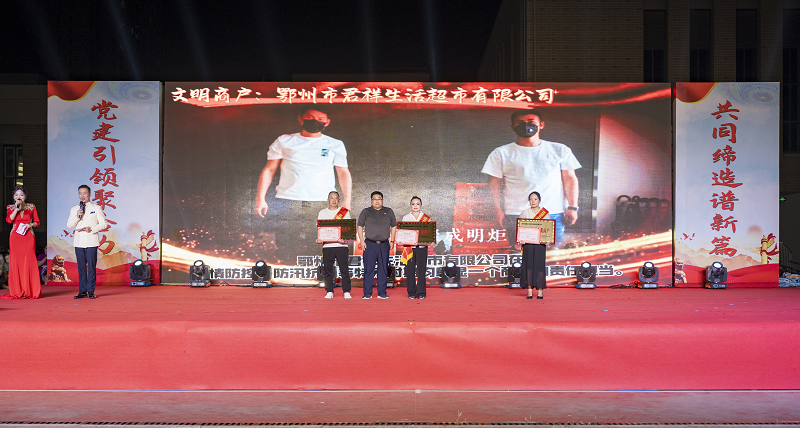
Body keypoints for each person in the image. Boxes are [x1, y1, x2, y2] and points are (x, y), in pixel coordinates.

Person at [254, 106, 353, 264]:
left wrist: (347, 201)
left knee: (320, 242)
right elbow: (269, 169)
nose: (315, 121)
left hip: (322, 200)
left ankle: (318, 272)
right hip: (287, 198)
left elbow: (343, 173)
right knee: (286, 242)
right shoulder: (284, 140)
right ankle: (287, 268)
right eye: (310, 117)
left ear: (327, 122)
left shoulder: (335, 144)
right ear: (301, 119)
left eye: (320, 119)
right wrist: (260, 198)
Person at [481, 109, 581, 248]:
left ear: (541, 125)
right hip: (518, 213)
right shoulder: (501, 153)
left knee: (550, 256)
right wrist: (497, 210)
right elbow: (494, 184)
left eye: (531, 122)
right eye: (520, 123)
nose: (526, 126)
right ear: (512, 127)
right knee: (525, 256)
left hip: (552, 213)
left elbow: (570, 179)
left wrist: (572, 207)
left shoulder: (559, 150)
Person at [67, 184, 107, 299]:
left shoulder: (96, 208)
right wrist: (77, 216)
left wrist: (92, 228)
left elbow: (104, 224)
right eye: (80, 193)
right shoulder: (74, 209)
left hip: (91, 241)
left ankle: (91, 291)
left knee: (92, 268)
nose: (82, 195)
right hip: (79, 242)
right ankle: (82, 291)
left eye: (84, 193)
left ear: (89, 194)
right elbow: (69, 225)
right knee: (81, 268)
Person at [1, 186, 41, 299]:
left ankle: (30, 291)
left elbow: (37, 222)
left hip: (28, 236)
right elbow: (9, 220)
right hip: (15, 238)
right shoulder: (10, 207)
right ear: (13, 196)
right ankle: (17, 290)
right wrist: (16, 209)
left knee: (29, 261)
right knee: (16, 262)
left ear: (25, 196)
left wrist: (30, 224)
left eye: (21, 195)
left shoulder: (31, 206)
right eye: (16, 195)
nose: (19, 197)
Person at [357, 191, 396, 299]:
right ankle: (367, 293)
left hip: (384, 244)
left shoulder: (388, 211)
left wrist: (392, 240)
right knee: (368, 269)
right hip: (370, 244)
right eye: (375, 199)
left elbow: (394, 226)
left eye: (379, 198)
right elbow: (360, 226)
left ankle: (382, 293)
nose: (377, 201)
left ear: (382, 200)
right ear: (371, 201)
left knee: (383, 269)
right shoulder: (366, 211)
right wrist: (361, 241)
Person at [316, 191, 352, 299]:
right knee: (328, 270)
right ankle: (329, 291)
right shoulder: (322, 212)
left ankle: (346, 291)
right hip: (327, 246)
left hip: (342, 246)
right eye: (331, 198)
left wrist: (345, 239)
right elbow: (320, 228)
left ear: (339, 200)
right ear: (328, 200)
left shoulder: (344, 212)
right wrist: (319, 239)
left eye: (336, 198)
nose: (334, 200)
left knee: (344, 269)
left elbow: (349, 229)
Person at [400, 196, 432, 300]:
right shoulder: (406, 218)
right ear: (410, 205)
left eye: (417, 204)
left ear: (421, 205)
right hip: (410, 248)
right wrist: (400, 241)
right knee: (410, 270)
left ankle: (421, 292)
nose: (415, 206)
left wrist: (431, 240)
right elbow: (402, 233)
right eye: (413, 204)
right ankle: (411, 292)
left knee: (421, 270)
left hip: (422, 247)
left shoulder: (426, 218)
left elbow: (430, 232)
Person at [519, 191, 548, 299]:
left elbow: (548, 229)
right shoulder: (525, 213)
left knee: (540, 267)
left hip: (540, 243)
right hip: (528, 244)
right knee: (529, 266)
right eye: (531, 199)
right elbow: (521, 228)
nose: (533, 201)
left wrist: (547, 239)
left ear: (539, 200)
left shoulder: (544, 213)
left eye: (535, 199)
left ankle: (540, 290)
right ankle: (529, 290)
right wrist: (521, 239)